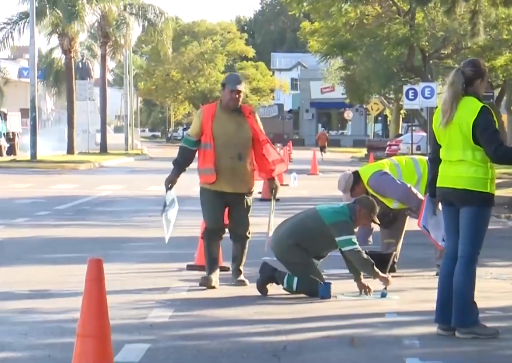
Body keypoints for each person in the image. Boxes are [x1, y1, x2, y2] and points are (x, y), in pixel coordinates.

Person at [428, 58, 512, 339]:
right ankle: (466, 322)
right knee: (467, 256)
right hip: (474, 190)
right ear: (480, 82)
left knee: (453, 255)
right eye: (486, 81)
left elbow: (434, 156)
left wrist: (431, 193)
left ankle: (446, 320)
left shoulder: (442, 111)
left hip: (448, 188)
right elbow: (498, 153)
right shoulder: (479, 112)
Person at [165, 73, 287, 289]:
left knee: (241, 231)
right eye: (232, 92)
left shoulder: (250, 115)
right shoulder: (206, 114)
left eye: (239, 93)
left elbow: (261, 149)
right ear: (223, 91)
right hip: (213, 185)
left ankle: (237, 273)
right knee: (213, 228)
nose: (236, 97)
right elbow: (188, 146)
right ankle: (211, 273)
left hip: (242, 186)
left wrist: (271, 178)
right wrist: (176, 172)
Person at [256, 195, 392, 297]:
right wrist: (378, 275)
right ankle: (272, 274)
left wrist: (359, 279)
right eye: (369, 218)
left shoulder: (343, 213)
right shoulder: (341, 220)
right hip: (287, 244)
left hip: (292, 242)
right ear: (360, 211)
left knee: (305, 284)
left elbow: (346, 251)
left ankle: (289, 278)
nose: (368, 224)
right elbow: (353, 252)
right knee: (316, 288)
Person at [336, 155, 442, 270]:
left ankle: (444, 264)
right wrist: (357, 249)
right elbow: (365, 218)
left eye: (353, 196)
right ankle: (389, 262)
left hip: (427, 175)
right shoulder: (366, 187)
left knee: (436, 226)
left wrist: (426, 210)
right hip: (407, 191)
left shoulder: (375, 180)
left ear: (357, 187)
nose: (355, 199)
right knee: (386, 218)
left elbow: (403, 192)